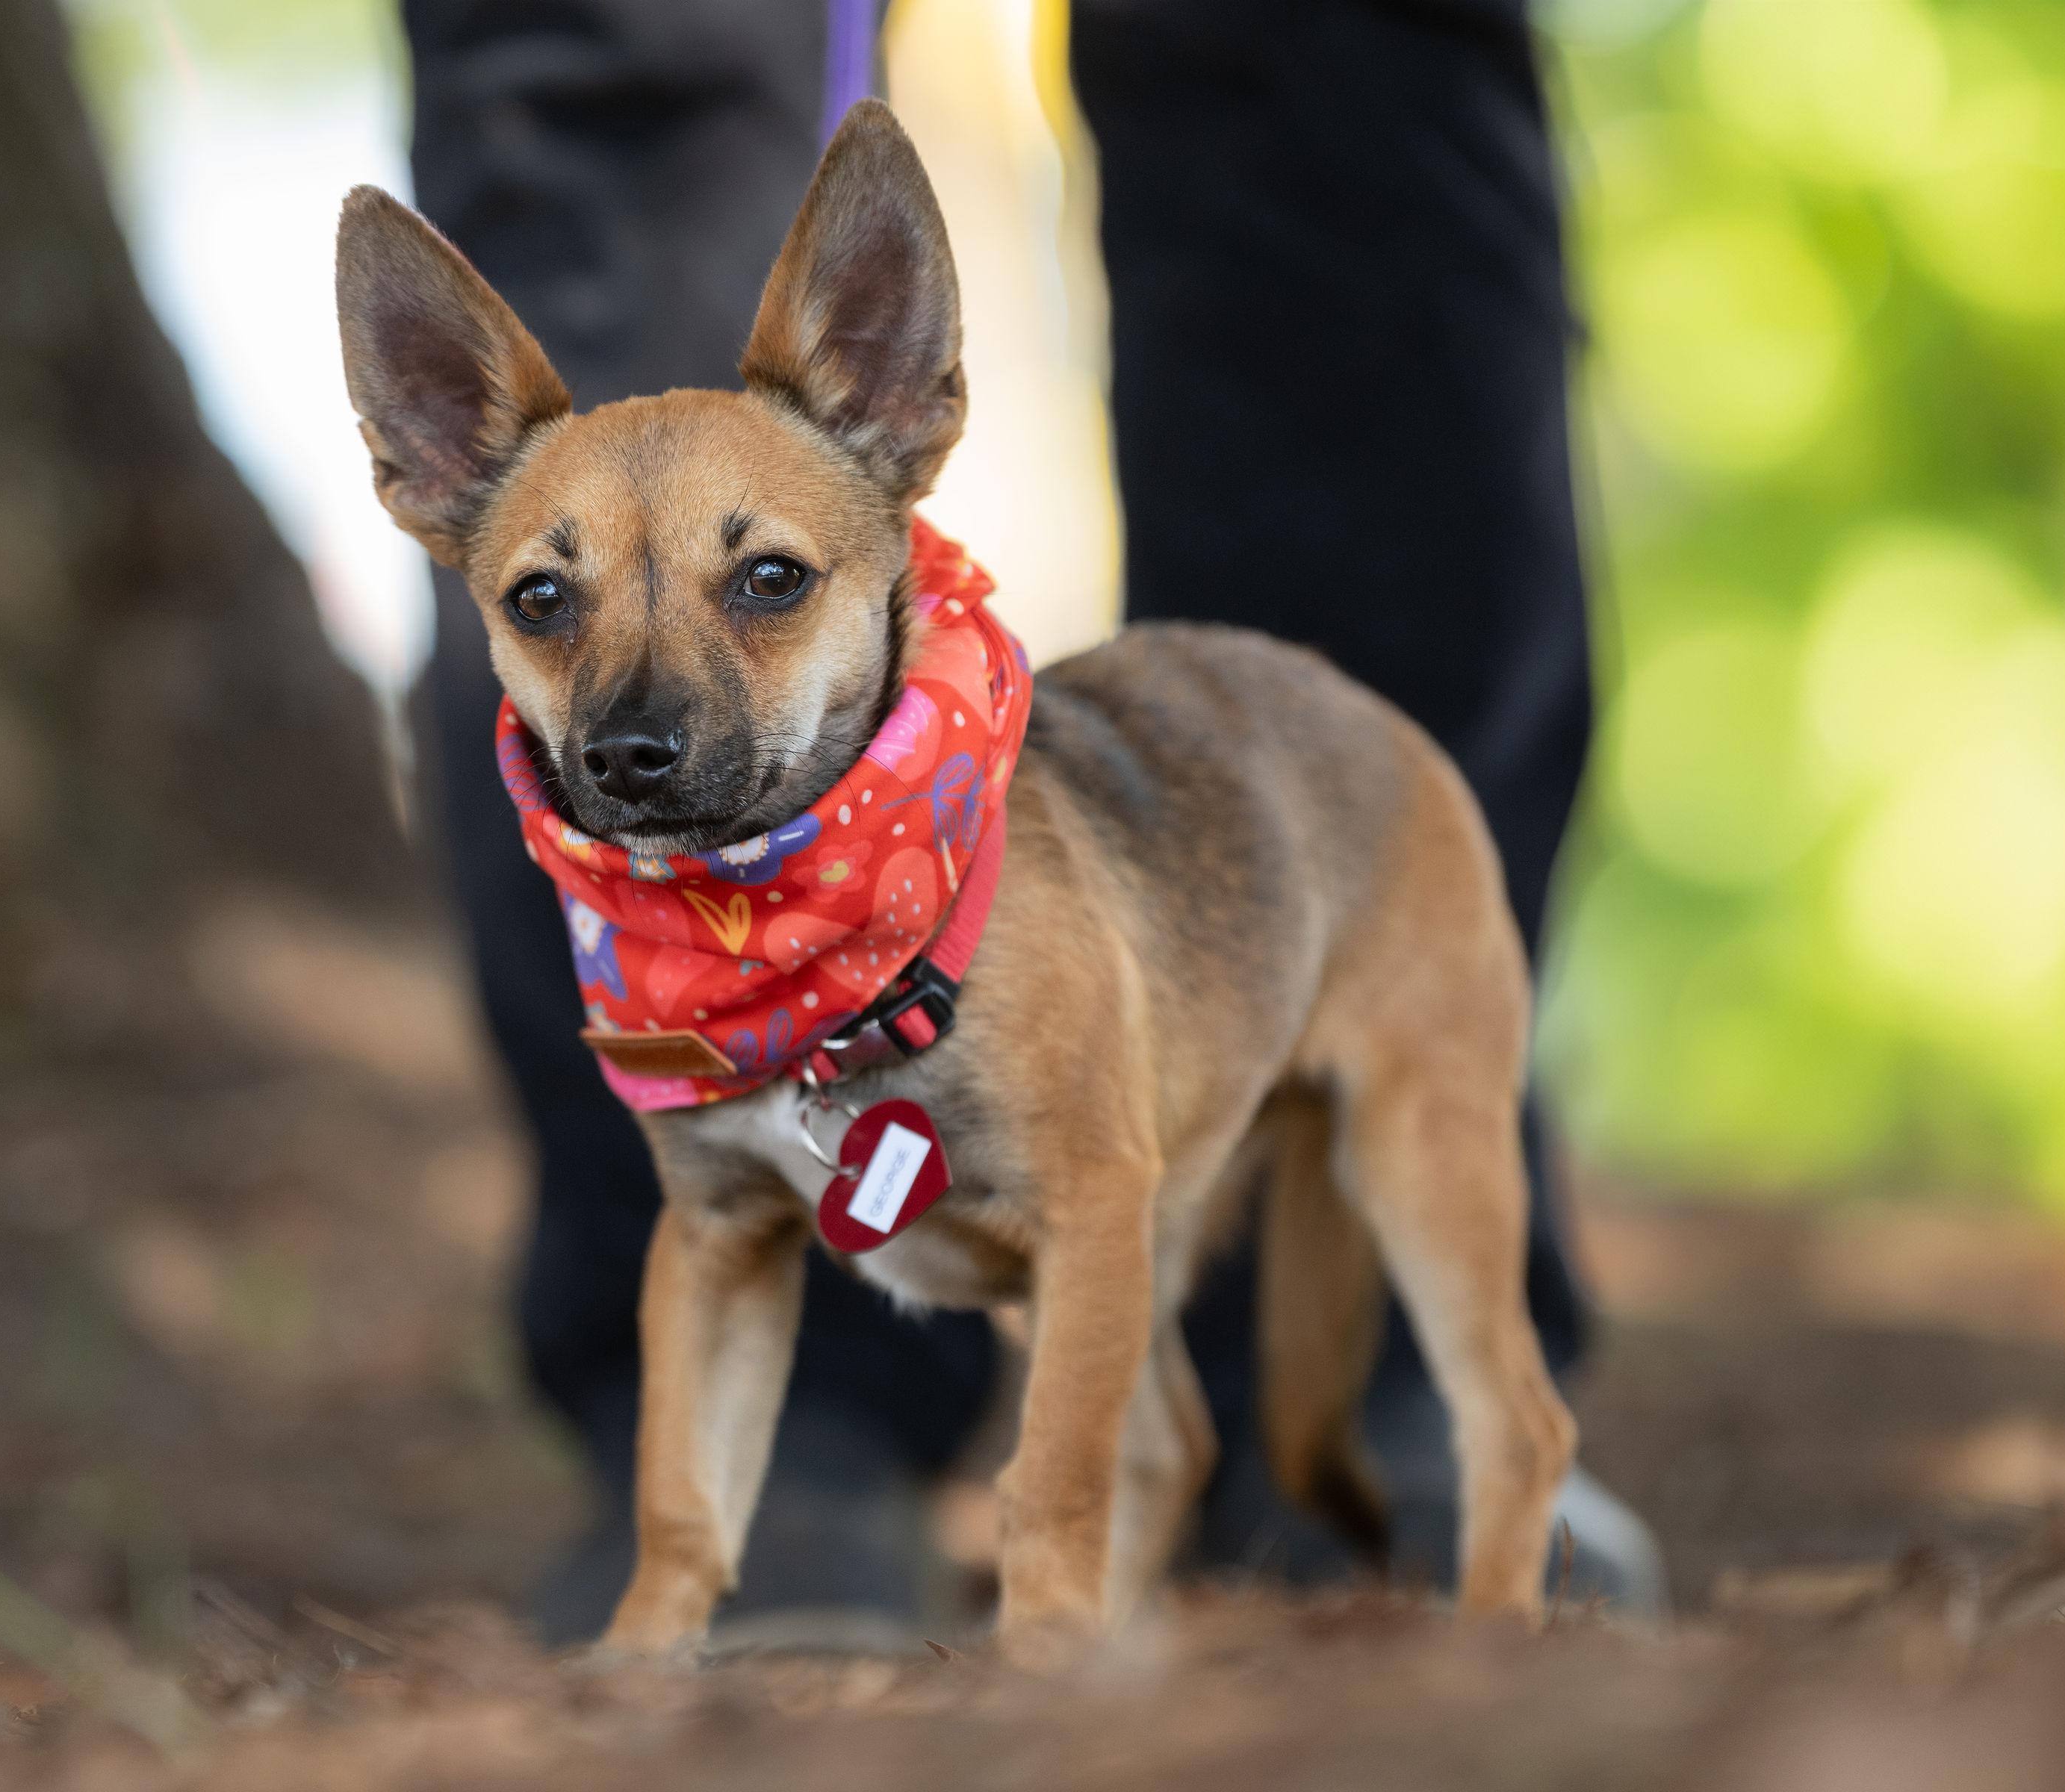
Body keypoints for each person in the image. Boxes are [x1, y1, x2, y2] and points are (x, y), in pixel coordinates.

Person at [399, 0, 1664, 1640]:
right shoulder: (648, 976)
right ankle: (795, 1488)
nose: (639, 717)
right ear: (436, 477)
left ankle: (1409, 1433)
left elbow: (1094, 1192)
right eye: (551, 606)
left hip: (1293, 864)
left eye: (768, 586)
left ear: (901, 399)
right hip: (778, 1109)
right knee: (626, 40)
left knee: (1334, 61)